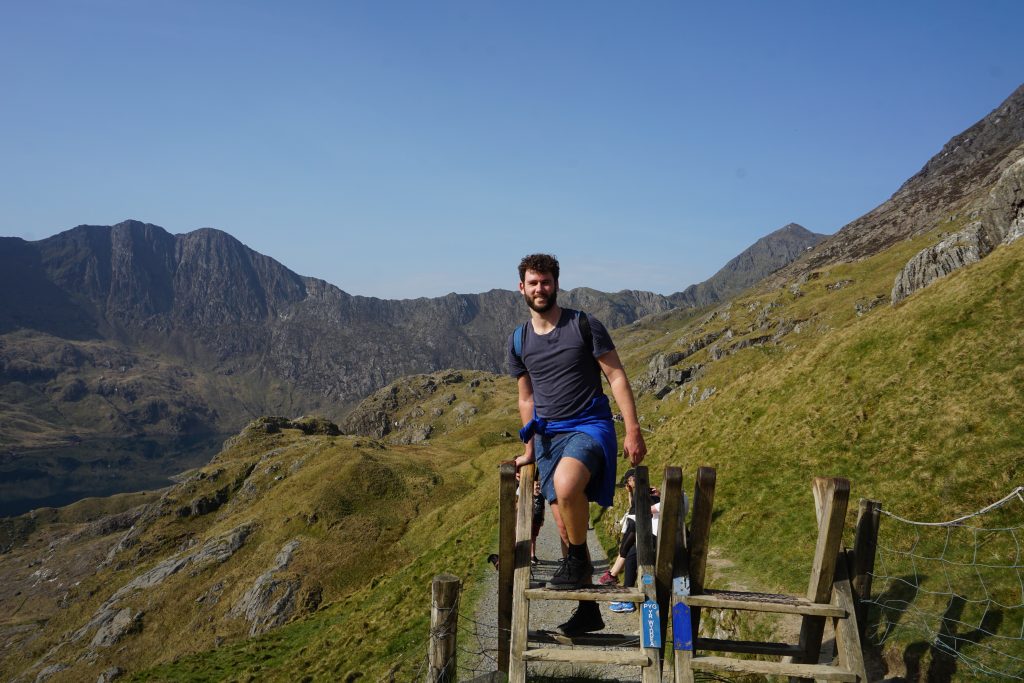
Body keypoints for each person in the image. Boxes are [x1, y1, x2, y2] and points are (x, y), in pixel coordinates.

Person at [508, 253, 647, 636]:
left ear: (556, 284)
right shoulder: (519, 340)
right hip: (550, 437)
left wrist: (632, 430)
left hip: (590, 426)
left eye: (546, 281)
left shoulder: (584, 324)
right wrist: (530, 450)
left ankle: (576, 562)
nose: (540, 289)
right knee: (566, 525)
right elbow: (526, 398)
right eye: (533, 283)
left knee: (568, 488)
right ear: (522, 287)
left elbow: (616, 376)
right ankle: (587, 610)